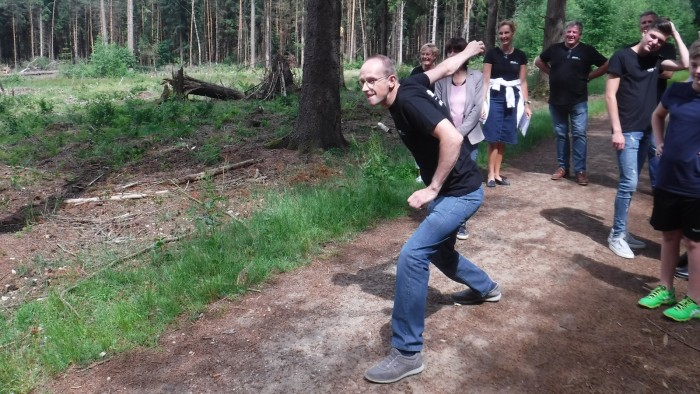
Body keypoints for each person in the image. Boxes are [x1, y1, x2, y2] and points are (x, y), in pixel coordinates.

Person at [358, 41, 500, 384]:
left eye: (372, 81)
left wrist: (432, 188)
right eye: (361, 81)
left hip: (461, 193)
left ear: (390, 81)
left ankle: (407, 352)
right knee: (439, 250)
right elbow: (446, 69)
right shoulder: (414, 82)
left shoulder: (408, 100)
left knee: (413, 255)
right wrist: (468, 52)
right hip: (455, 190)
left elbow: (451, 138)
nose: (365, 87)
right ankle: (486, 288)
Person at [605, 18, 689, 259]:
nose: (654, 42)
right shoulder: (621, 56)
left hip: (647, 131)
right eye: (652, 37)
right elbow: (610, 96)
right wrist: (617, 130)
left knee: (629, 184)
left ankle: (623, 232)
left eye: (660, 41)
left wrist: (674, 31)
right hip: (628, 130)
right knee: (628, 183)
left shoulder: (657, 59)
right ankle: (616, 236)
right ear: (644, 32)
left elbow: (684, 63)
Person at [637, 39, 700, 321]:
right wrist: (659, 142)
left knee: (695, 243)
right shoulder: (677, 90)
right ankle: (666, 288)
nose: (698, 71)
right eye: (696, 65)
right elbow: (657, 115)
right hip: (669, 177)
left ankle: (695, 300)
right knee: (668, 234)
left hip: (696, 183)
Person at [534, 21, 608, 186]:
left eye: (575, 32)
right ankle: (563, 167)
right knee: (560, 135)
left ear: (580, 34)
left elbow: (606, 64)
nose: (571, 35)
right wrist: (551, 72)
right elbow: (538, 61)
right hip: (556, 101)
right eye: (569, 32)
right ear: (564, 33)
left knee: (579, 134)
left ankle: (580, 170)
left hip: (578, 101)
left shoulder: (587, 51)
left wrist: (590, 76)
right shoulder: (555, 49)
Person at [435, 37, 485, 240]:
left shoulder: (477, 77)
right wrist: (449, 133)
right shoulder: (440, 79)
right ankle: (442, 220)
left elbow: (476, 109)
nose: (453, 55)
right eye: (450, 51)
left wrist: (459, 133)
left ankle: (461, 223)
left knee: (464, 181)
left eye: (457, 51)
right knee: (446, 177)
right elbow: (437, 106)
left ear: (467, 54)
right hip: (445, 137)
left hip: (469, 137)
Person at [482, 20, 532, 188]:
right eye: (501, 33)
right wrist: (482, 102)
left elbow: (523, 82)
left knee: (503, 137)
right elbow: (485, 80)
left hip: (513, 99)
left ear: (512, 34)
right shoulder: (491, 54)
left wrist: (526, 104)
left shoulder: (520, 56)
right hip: (494, 97)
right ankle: (489, 174)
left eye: (506, 33)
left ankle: (497, 173)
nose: (503, 36)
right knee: (493, 137)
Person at [637, 11, 678, 189]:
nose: (646, 24)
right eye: (643, 22)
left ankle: (658, 186)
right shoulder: (635, 47)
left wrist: (644, 70)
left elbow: (668, 73)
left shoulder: (666, 48)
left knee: (654, 148)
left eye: (650, 22)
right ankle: (630, 184)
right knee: (636, 146)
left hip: (656, 105)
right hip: (636, 105)